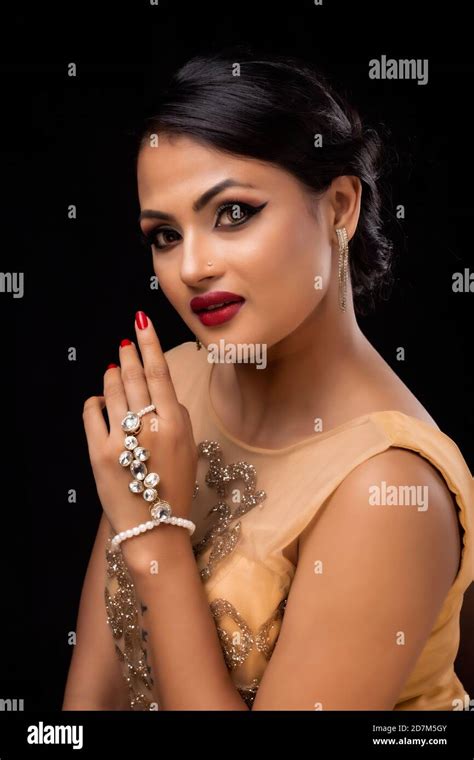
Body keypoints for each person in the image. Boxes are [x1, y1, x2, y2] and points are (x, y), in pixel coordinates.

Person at [62, 50, 473, 711]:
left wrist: (157, 539)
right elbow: (87, 707)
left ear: (339, 206)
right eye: (165, 235)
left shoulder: (389, 487)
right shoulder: (177, 381)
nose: (192, 267)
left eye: (232, 213)